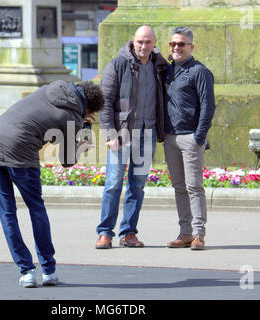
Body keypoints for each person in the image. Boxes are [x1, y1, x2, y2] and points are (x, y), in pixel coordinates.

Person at [0, 80, 104, 287]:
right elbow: (67, 160)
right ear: (89, 107)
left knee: (7, 212)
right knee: (36, 208)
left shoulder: (50, 88)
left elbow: (42, 121)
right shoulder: (72, 117)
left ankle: (26, 271)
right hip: (20, 152)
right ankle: (48, 270)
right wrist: (83, 145)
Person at [95, 25, 168, 249]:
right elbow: (104, 102)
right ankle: (105, 232)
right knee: (113, 184)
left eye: (148, 42)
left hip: (147, 132)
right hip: (122, 135)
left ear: (155, 42)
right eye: (140, 42)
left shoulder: (160, 66)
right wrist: (110, 134)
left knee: (137, 185)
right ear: (133, 42)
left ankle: (128, 232)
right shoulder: (117, 65)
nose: (143, 46)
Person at [164, 27, 216, 250]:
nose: (177, 47)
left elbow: (208, 106)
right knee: (179, 187)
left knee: (194, 187)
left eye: (181, 44)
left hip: (190, 137)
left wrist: (199, 137)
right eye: (173, 44)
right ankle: (185, 233)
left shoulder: (200, 72)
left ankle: (198, 234)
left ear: (191, 47)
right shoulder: (167, 71)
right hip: (170, 137)